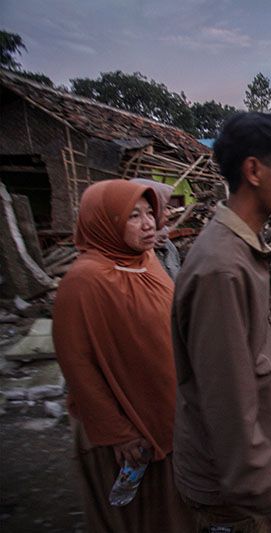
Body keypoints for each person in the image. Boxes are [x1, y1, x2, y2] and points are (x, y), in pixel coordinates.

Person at [171, 112, 271, 532]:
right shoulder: (221, 270)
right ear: (253, 170)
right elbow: (226, 403)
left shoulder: (248, 249)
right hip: (229, 476)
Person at [52, 179, 193, 532]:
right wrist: (119, 433)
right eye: (133, 216)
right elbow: (78, 365)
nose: (150, 224)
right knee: (136, 516)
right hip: (129, 428)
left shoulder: (146, 261)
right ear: (106, 221)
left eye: (150, 213)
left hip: (166, 411)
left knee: (172, 507)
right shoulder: (85, 281)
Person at [131, 178, 182, 281]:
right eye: (163, 207)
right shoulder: (133, 251)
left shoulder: (167, 244)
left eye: (149, 212)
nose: (168, 213)